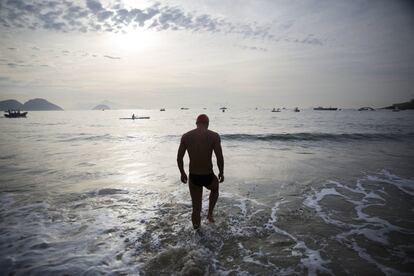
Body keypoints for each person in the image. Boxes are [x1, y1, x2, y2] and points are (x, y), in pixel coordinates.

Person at [177, 114, 224, 230]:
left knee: (196, 209)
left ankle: (197, 234)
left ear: (197, 123)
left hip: (194, 177)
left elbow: (179, 158)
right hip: (208, 175)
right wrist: (221, 172)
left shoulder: (186, 136)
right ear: (207, 124)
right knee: (215, 188)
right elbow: (219, 157)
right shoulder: (214, 136)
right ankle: (210, 213)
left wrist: (182, 173)